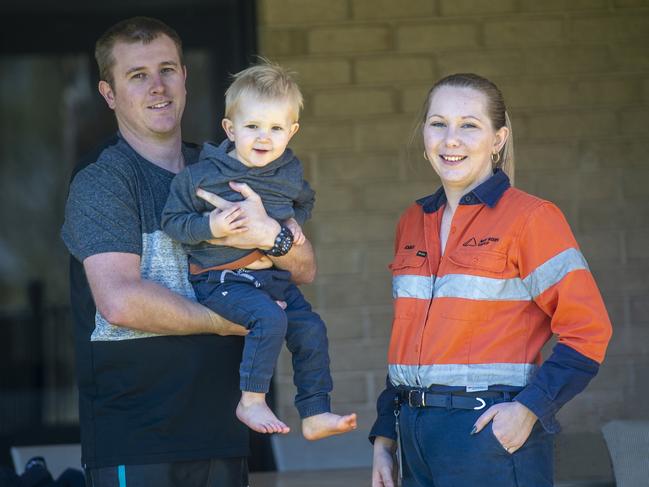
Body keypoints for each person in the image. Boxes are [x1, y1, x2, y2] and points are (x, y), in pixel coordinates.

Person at [61, 17, 315, 487]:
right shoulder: (104, 180)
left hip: (225, 428)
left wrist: (271, 237)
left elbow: (303, 267)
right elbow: (119, 301)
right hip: (137, 438)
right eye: (137, 75)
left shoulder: (225, 167)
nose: (157, 87)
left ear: (185, 77)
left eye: (167, 70)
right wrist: (231, 321)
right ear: (109, 93)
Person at [370, 73, 613, 487]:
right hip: (413, 433)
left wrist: (529, 410)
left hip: (487, 433)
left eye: (469, 125)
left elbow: (589, 330)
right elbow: (407, 342)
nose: (450, 139)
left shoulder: (531, 218)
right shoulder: (412, 222)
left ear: (498, 139)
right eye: (437, 123)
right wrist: (385, 435)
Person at [160, 61, 357, 440]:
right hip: (221, 279)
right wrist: (210, 226)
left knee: (311, 328)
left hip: (273, 279)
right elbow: (172, 221)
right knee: (270, 320)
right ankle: (251, 400)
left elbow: (306, 197)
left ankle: (315, 413)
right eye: (252, 127)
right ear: (230, 129)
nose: (263, 138)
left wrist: (294, 221)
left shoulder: (288, 171)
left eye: (276, 128)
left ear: (292, 132)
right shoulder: (202, 175)